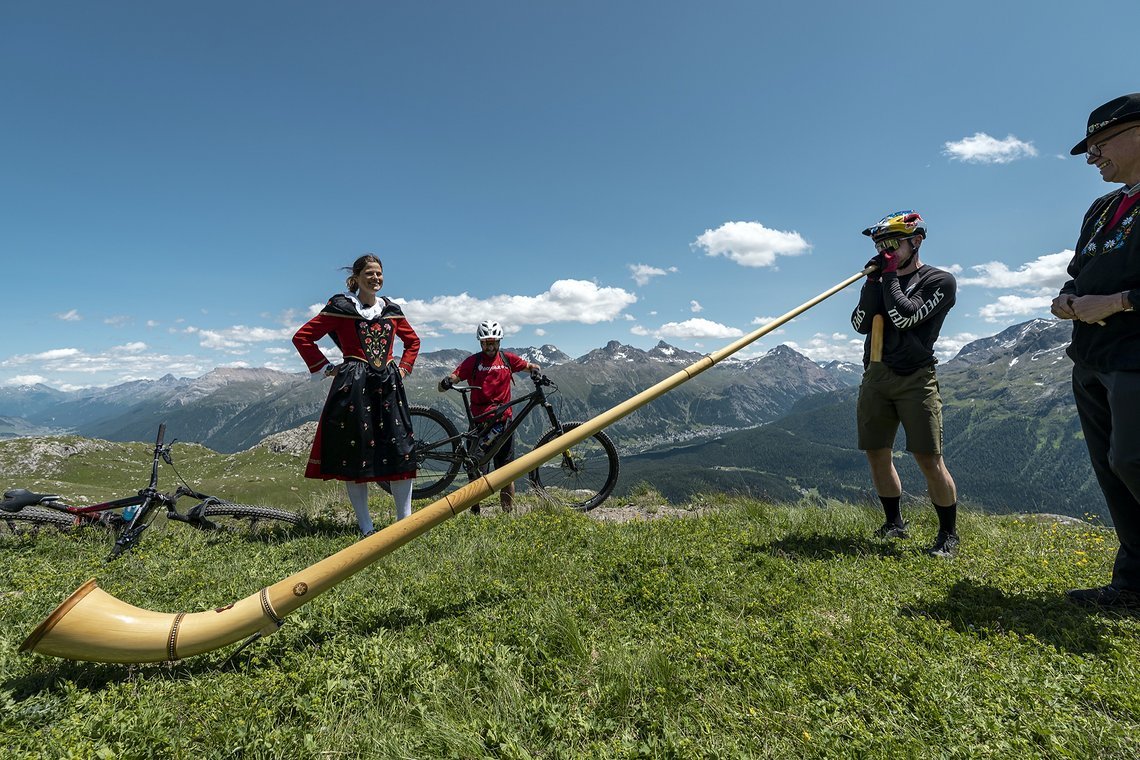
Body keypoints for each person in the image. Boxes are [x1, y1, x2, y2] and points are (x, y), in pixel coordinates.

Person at [1051, 93, 1140, 610]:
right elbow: (1078, 271)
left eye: (1100, 144)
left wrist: (1123, 300)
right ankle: (1133, 583)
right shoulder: (1103, 207)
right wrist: (1069, 299)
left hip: (1136, 356)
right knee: (1111, 467)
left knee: (1135, 459)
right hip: (1091, 356)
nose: (1093, 158)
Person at [850, 210, 960, 557]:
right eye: (881, 245)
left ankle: (948, 535)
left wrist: (887, 279)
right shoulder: (881, 279)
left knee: (928, 459)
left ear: (916, 241)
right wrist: (871, 284)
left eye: (893, 244)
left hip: (916, 377)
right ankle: (894, 523)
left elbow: (905, 315)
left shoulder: (940, 281)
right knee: (877, 453)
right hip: (876, 373)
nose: (887, 251)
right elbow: (859, 324)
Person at [292, 254, 420, 536]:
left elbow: (413, 342)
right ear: (357, 277)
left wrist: (403, 369)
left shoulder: (392, 310)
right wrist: (327, 369)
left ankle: (405, 522)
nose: (376, 278)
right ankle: (366, 527)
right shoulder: (341, 308)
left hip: (388, 386)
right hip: (354, 389)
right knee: (356, 453)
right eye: (370, 274)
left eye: (379, 274)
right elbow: (302, 337)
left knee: (400, 449)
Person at [438, 320, 541, 514]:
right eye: (486, 342)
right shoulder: (473, 361)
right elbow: (456, 375)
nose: (490, 346)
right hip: (480, 425)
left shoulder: (507, 359)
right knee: (476, 474)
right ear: (480, 343)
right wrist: (446, 382)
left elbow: (529, 365)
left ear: (499, 342)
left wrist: (535, 370)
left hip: (504, 425)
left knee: (507, 473)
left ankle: (507, 515)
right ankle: (474, 512)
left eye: (493, 342)